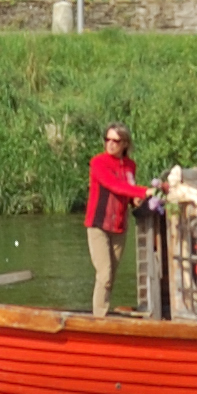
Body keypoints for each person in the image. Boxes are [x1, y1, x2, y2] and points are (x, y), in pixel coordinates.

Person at [83, 124, 159, 316]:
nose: (110, 144)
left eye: (115, 141)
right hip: (98, 225)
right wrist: (144, 191)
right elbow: (115, 186)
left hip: (118, 226)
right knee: (105, 273)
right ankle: (99, 318)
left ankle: (102, 313)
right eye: (107, 139)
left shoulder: (130, 166)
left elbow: (128, 189)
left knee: (111, 276)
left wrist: (141, 199)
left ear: (124, 143)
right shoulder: (98, 163)